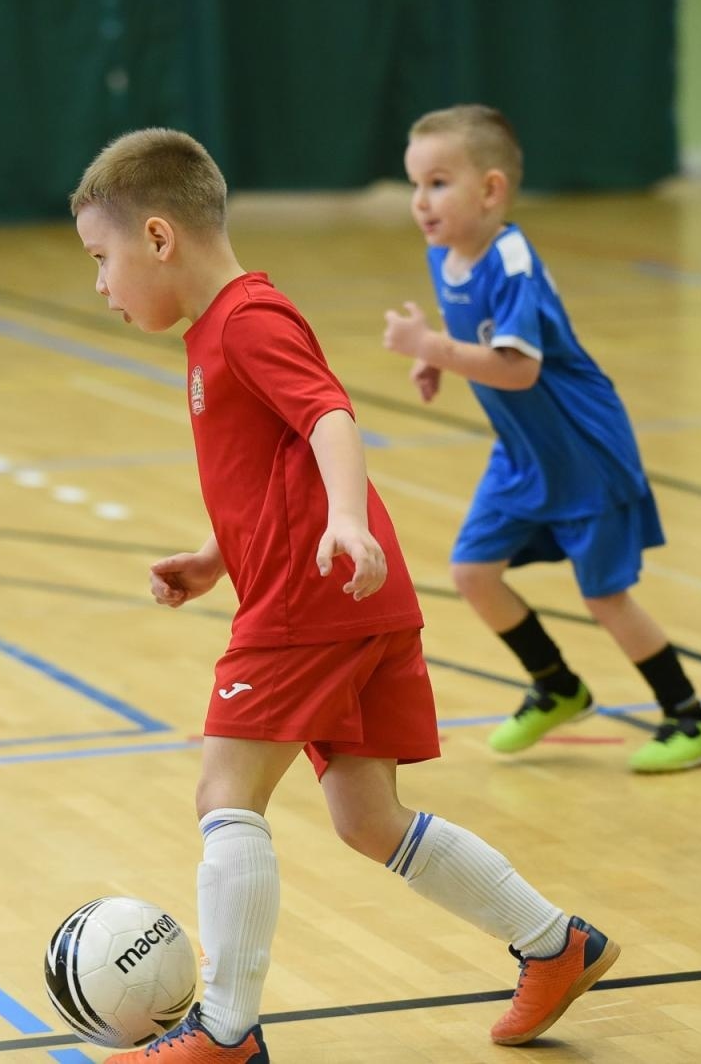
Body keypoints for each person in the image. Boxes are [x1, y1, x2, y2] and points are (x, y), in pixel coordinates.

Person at [70, 128, 618, 1062]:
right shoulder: (223, 325)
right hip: (342, 596)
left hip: (308, 602)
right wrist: (214, 554)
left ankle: (227, 1032)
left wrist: (348, 522)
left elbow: (328, 415)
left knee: (224, 793)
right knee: (369, 819)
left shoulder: (247, 320)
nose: (100, 284)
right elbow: (272, 464)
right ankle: (553, 944)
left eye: (101, 258)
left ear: (158, 238)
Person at [381, 103, 701, 773]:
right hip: (523, 455)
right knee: (473, 572)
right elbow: (474, 340)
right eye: (415, 184)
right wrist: (434, 355)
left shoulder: (511, 263)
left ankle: (691, 717)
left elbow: (518, 366)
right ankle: (558, 685)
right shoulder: (445, 252)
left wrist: (433, 346)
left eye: (438, 183)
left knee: (604, 597)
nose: (421, 201)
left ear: (491, 190)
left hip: (584, 452)